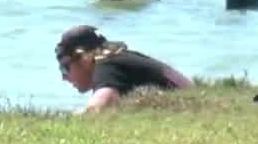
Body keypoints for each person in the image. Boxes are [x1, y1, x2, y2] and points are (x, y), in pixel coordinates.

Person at [55, 25, 193, 114]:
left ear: (83, 59)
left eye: (65, 68)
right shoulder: (120, 60)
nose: (64, 77)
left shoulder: (106, 66)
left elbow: (96, 110)